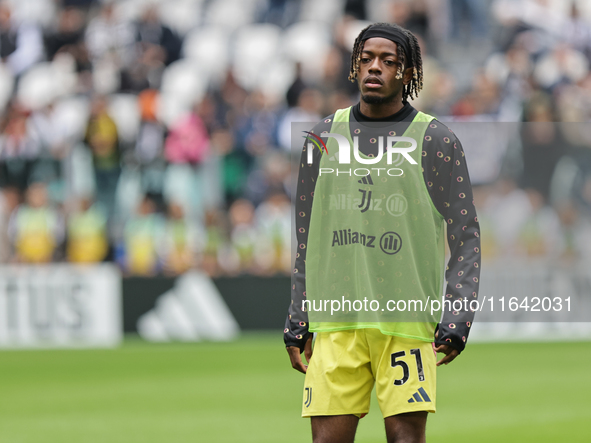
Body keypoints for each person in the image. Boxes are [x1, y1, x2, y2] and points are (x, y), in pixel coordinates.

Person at [284, 23, 481, 443]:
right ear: (355, 67)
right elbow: (307, 238)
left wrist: (459, 313)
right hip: (336, 321)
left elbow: (466, 235)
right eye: (367, 59)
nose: (375, 68)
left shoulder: (437, 141)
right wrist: (298, 314)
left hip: (406, 322)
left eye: (389, 61)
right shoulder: (320, 139)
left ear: (408, 73)